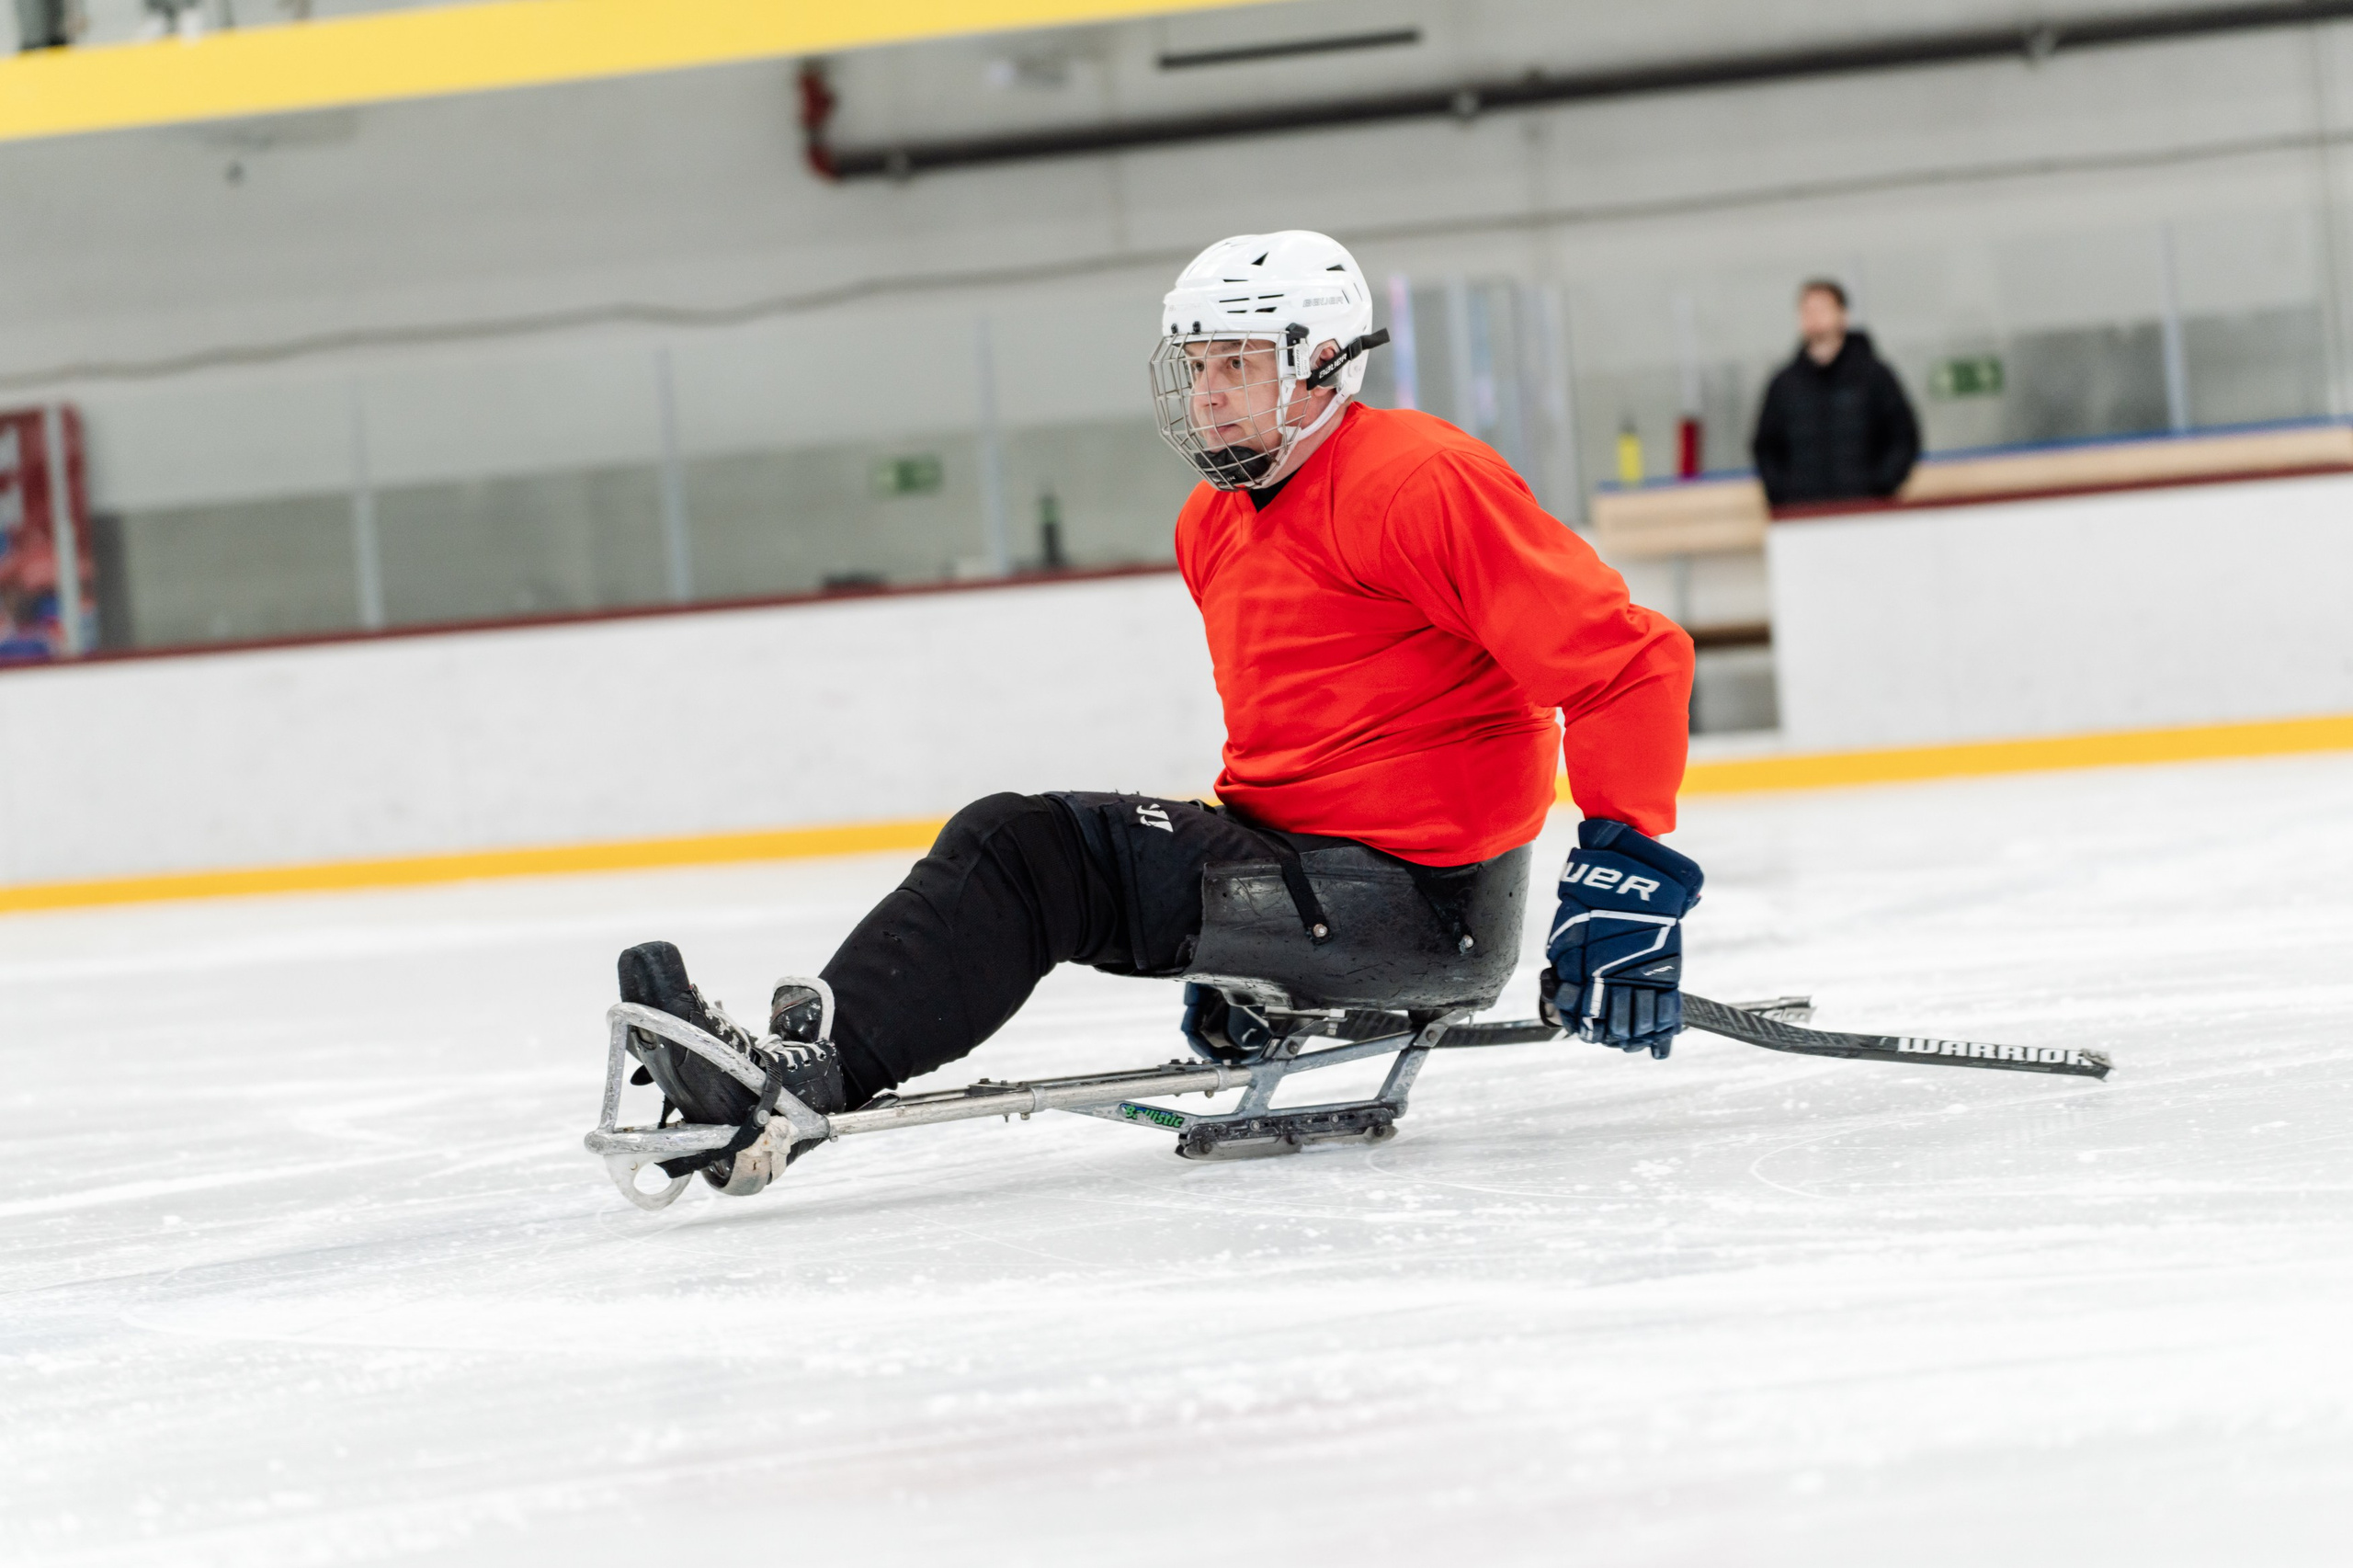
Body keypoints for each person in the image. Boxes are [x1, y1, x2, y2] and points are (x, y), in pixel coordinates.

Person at [617, 231, 1701, 1195]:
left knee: (1023, 847)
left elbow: (1630, 662)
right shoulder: (1212, 520)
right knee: (1037, 845)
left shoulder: (1418, 481)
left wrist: (1625, 877)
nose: (1212, 393)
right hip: (1322, 880)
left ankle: (808, 1075)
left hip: (1424, 905)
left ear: (1322, 362)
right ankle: (798, 1071)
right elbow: (1300, 736)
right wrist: (1241, 937)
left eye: (1238, 364)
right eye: (1196, 366)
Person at [1750, 278, 1920, 507]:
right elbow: (1766, 447)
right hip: (1802, 516)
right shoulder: (1784, 384)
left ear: (1843, 315)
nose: (1814, 316)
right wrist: (1783, 495)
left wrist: (1879, 488)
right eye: (1807, 309)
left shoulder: (1873, 376)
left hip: (1865, 512)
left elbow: (1903, 436)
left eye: (1822, 308)